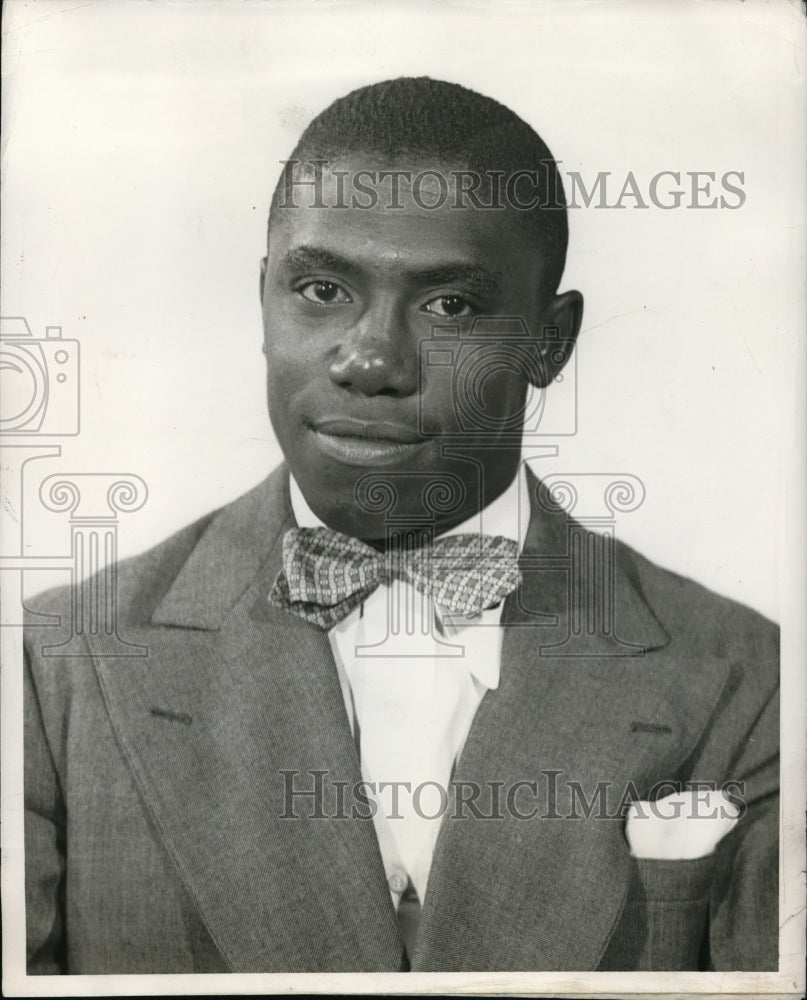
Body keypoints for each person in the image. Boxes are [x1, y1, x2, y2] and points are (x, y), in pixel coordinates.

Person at [23, 77, 778, 975]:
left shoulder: (749, 680)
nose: (371, 359)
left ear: (549, 342)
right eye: (320, 288)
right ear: (262, 297)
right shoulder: (53, 668)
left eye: (448, 305)